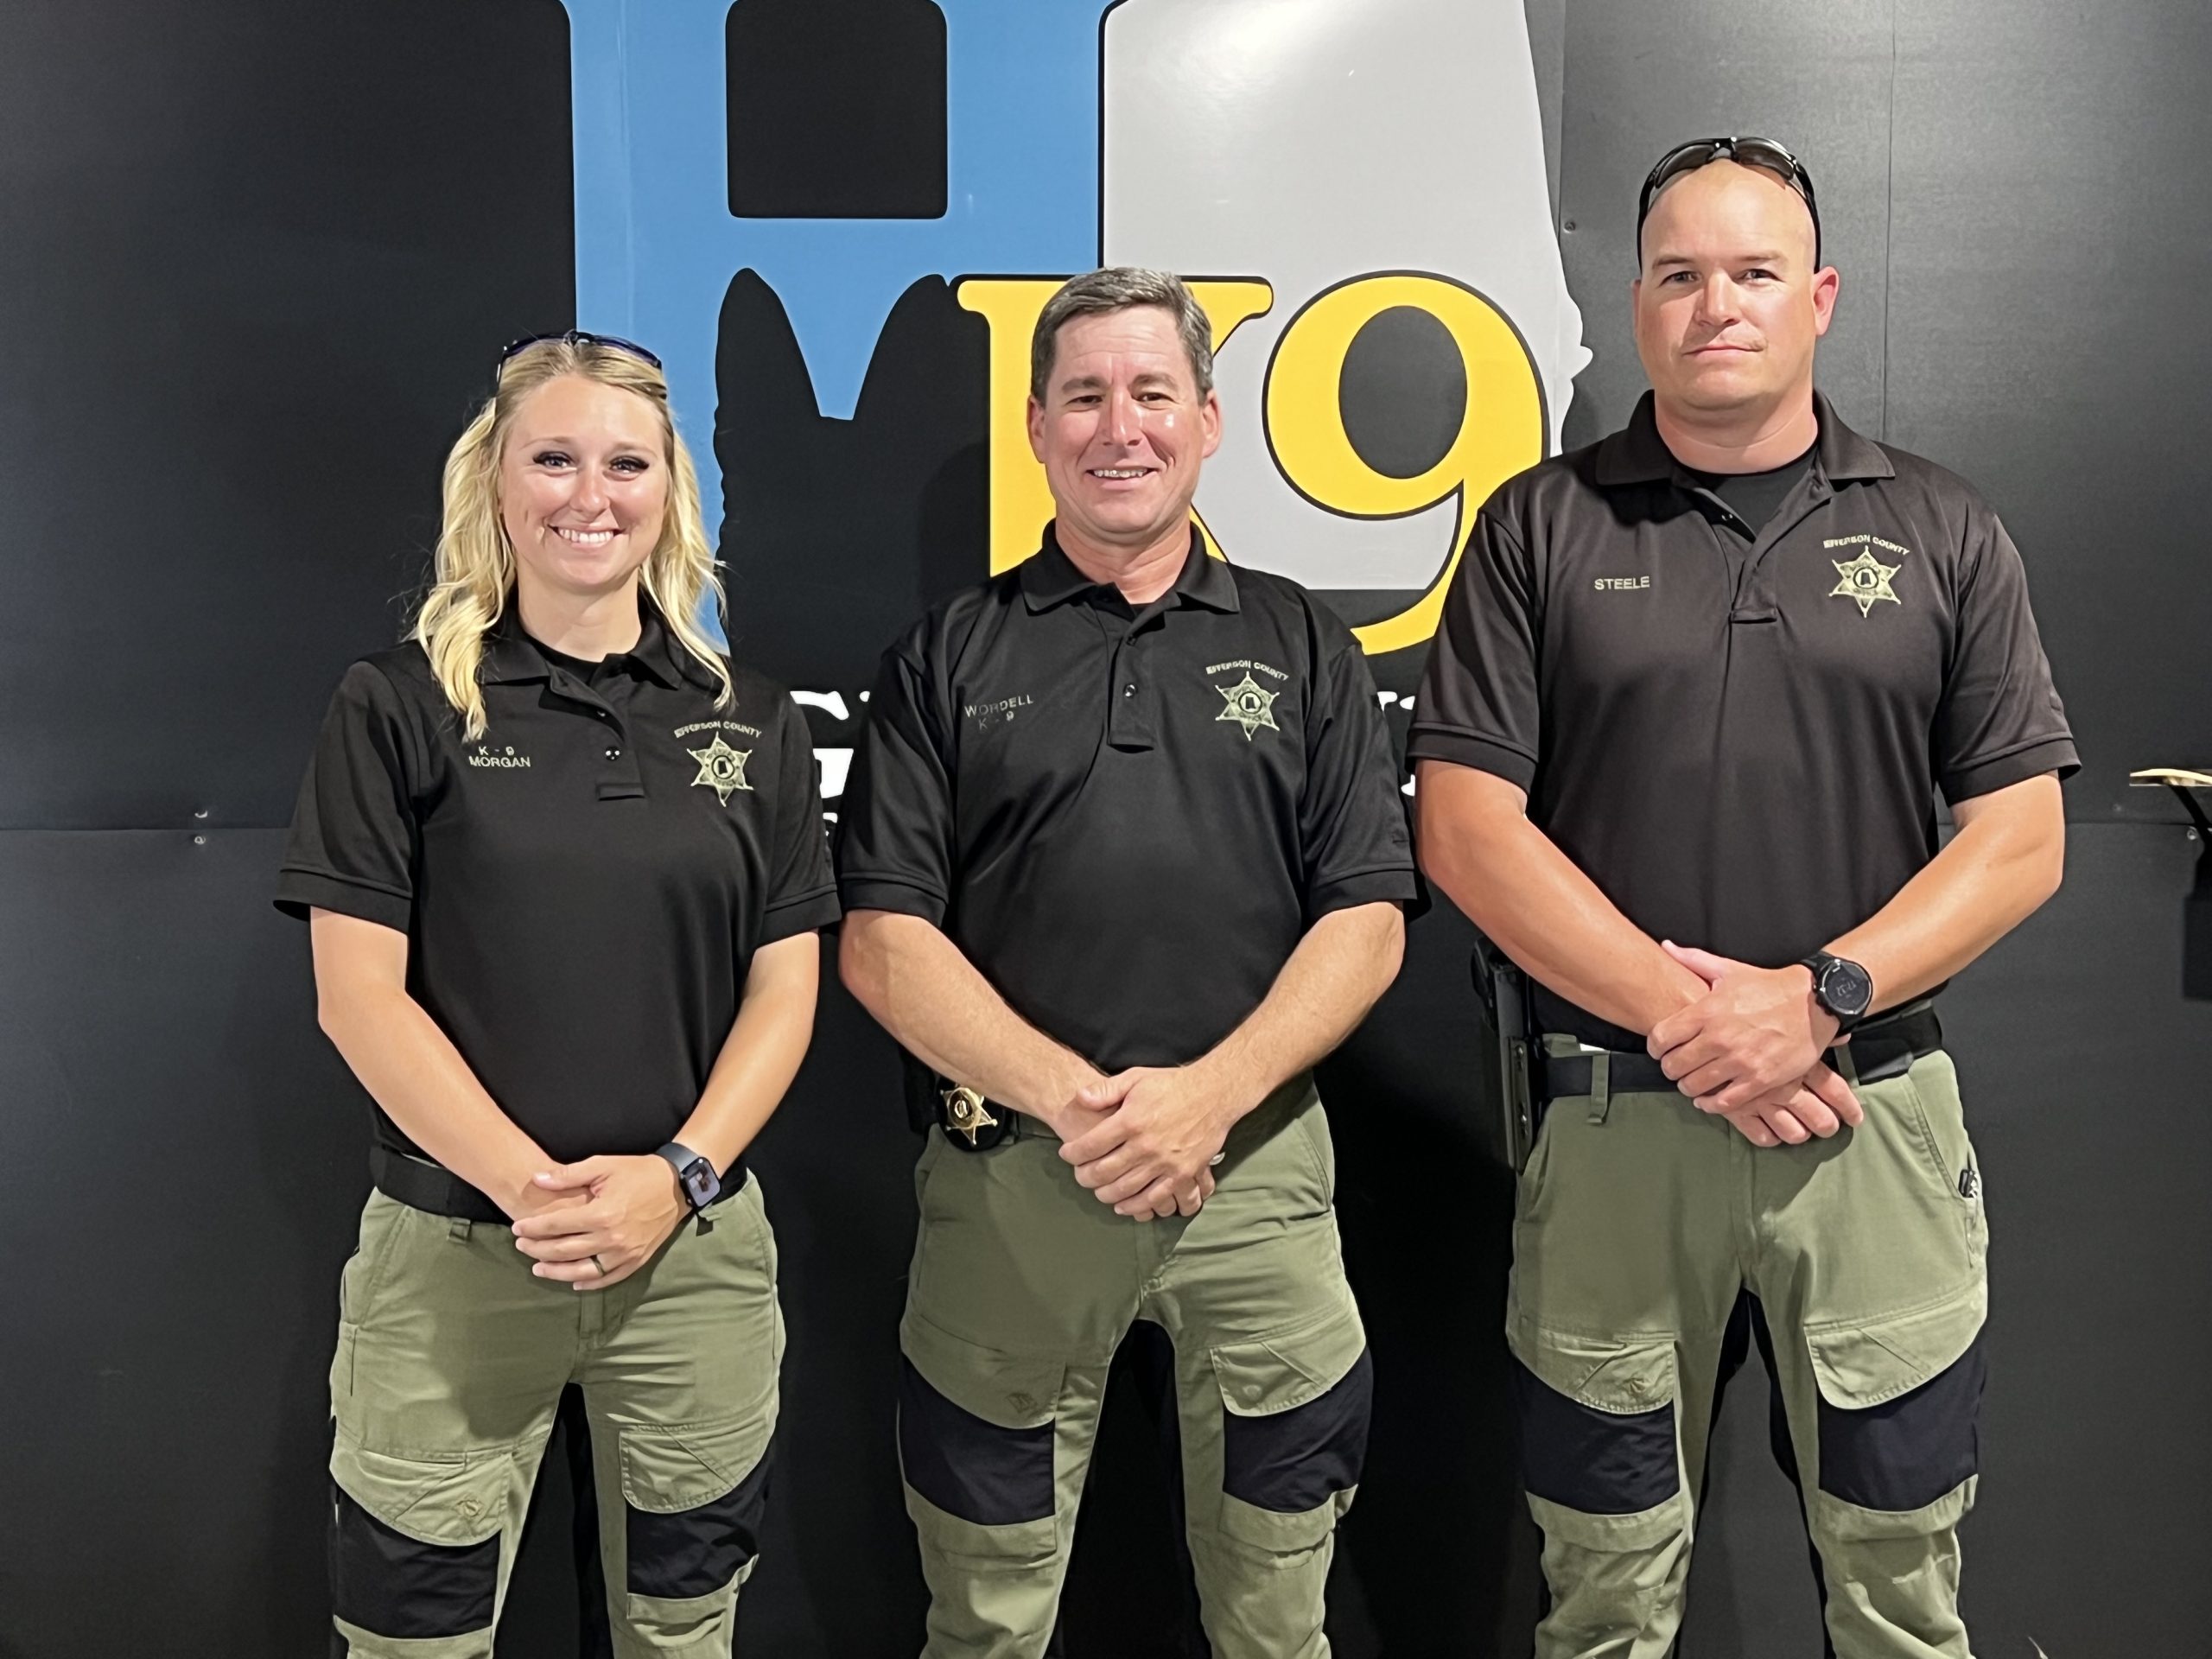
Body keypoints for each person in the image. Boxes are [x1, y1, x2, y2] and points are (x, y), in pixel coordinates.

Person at [1409, 138, 2075, 1658]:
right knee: (1603, 1584)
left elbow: (2023, 837)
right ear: (1637, 304)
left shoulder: (1942, 527)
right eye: (1681, 275)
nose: (1718, 305)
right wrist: (1698, 1020)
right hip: (1617, 1120)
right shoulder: (1537, 527)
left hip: (1868, 1119)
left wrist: (1818, 1000)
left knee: (1902, 1579)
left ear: (1819, 296)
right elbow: (1464, 830)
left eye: (1755, 272)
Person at [836, 267, 1417, 1658]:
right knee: (984, 1614)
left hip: (1257, 1182)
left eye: (1153, 392)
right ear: (1037, 427)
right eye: (1085, 396)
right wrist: (1083, 1107)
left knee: (1280, 1613)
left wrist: (1206, 1099)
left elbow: (1369, 919)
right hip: (1013, 1189)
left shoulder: (1305, 643)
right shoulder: (945, 658)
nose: (1120, 426)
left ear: (1207, 421)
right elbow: (882, 942)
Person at [276, 331, 838, 1656]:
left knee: (684, 1629)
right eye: (555, 459)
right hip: (459, 1264)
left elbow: (785, 989)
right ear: (496, 479)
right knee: (413, 1638)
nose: (592, 494)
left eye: (626, 463)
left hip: (692, 1263)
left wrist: (676, 1180)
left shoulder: (754, 719)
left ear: (669, 488)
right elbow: (359, 999)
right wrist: (542, 1195)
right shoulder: (399, 706)